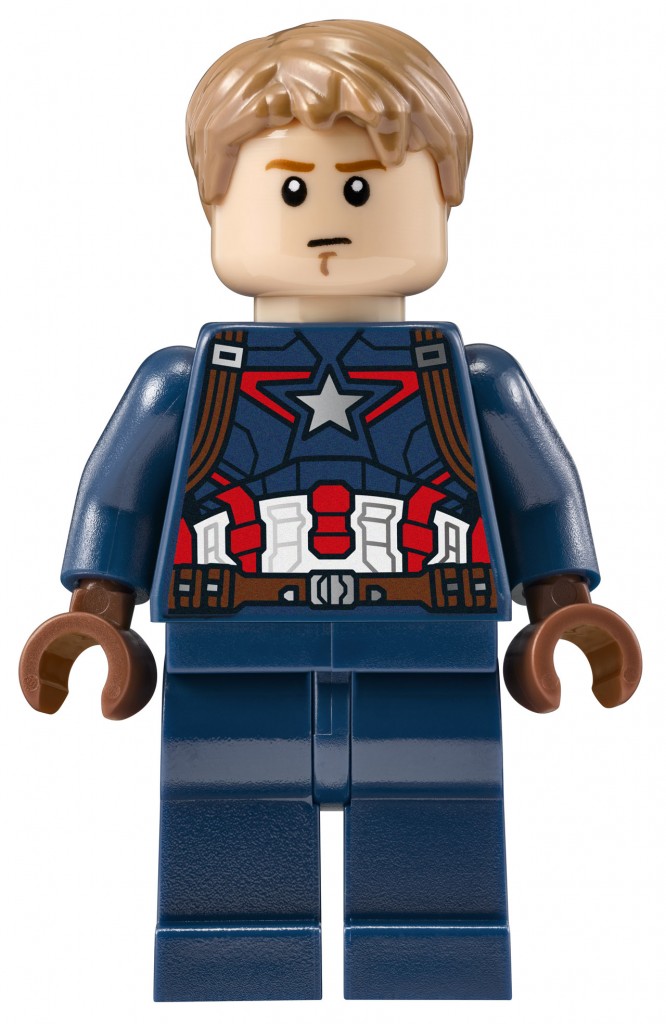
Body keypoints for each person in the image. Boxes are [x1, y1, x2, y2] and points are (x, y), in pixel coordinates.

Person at [19, 19, 641, 1002]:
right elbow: (118, 496)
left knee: (436, 819)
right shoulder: (186, 382)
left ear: (445, 198)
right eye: (290, 189)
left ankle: (433, 953)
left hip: (428, 644)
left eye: (361, 189)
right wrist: (97, 614)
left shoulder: (473, 380)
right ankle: (232, 953)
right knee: (228, 819)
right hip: (233, 646)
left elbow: (541, 493)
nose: (327, 220)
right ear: (215, 204)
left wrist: (563, 605)